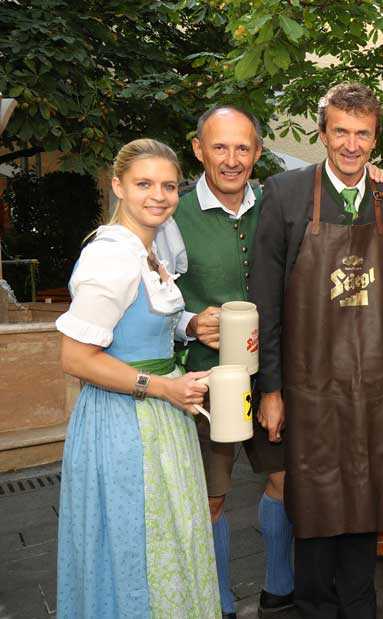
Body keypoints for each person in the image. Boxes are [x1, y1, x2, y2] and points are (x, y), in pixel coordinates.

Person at [250, 82, 383, 619]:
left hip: (376, 383)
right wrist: (270, 388)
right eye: (341, 132)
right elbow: (265, 298)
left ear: (375, 138)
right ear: (323, 132)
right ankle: (313, 609)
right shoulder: (284, 193)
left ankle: (360, 609)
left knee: (365, 503)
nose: (351, 145)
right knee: (315, 509)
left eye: (363, 134)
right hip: (308, 387)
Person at [55, 138, 219, 618]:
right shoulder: (109, 258)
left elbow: (140, 323)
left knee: (168, 540)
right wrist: (163, 386)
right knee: (134, 545)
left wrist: (189, 323)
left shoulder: (148, 250)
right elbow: (77, 358)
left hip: (160, 418)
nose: (159, 196)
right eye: (144, 183)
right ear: (117, 186)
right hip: (124, 423)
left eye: (168, 185)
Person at [155, 106, 296, 619]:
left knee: (284, 479)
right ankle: (214, 603)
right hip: (204, 376)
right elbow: (153, 297)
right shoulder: (172, 216)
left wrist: (371, 179)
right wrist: (190, 322)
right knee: (211, 496)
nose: (232, 159)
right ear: (198, 150)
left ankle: (280, 590)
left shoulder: (280, 204)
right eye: (220, 147)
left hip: (273, 373)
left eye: (243, 148)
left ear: (258, 152)